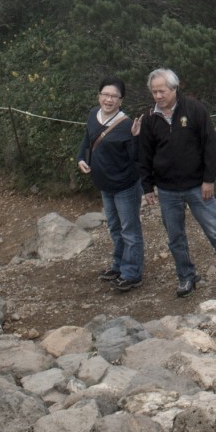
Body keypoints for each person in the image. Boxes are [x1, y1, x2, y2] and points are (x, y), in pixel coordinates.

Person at [138, 67, 216, 297]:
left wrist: (208, 179)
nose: (158, 96)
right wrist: (147, 186)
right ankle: (185, 277)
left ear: (174, 88)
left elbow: (209, 145)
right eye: (154, 92)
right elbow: (144, 153)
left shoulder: (194, 109)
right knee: (175, 237)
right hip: (167, 189)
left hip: (197, 186)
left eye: (162, 91)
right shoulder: (150, 118)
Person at [77, 76, 144, 292]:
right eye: (105, 95)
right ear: (99, 96)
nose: (109, 99)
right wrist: (81, 159)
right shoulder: (92, 115)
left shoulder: (127, 125)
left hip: (125, 186)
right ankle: (118, 265)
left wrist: (135, 137)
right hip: (104, 184)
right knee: (115, 228)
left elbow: (137, 159)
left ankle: (132, 273)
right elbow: (87, 141)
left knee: (129, 230)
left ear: (121, 101)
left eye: (114, 96)